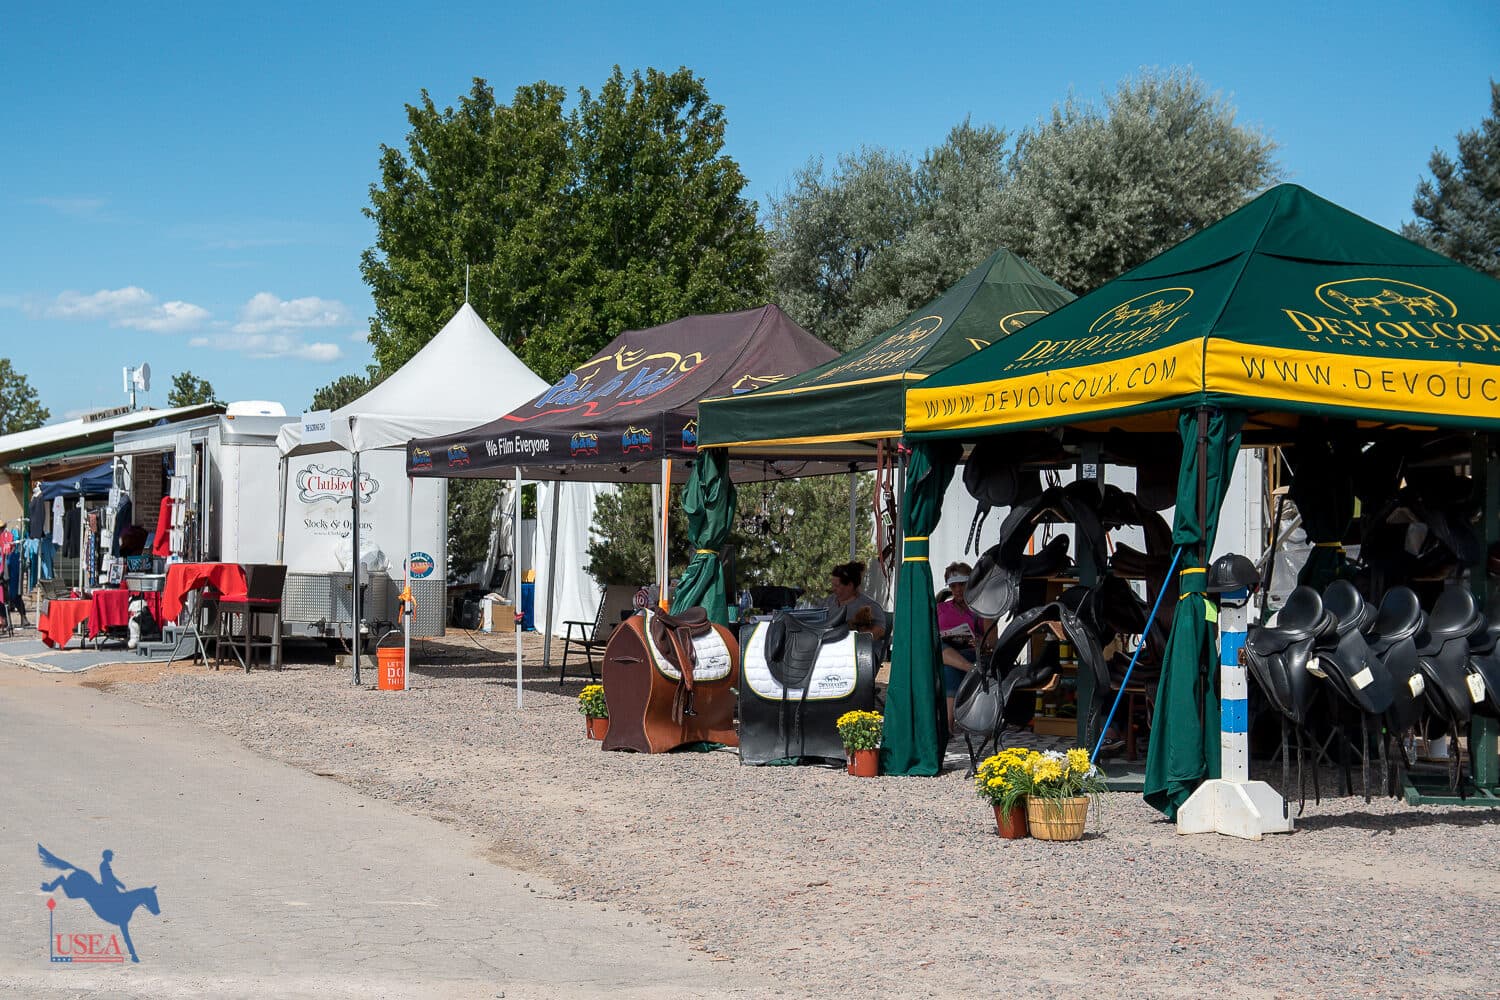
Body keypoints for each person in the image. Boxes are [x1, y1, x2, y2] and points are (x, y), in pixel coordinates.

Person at [937, 562, 986, 728]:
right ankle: (972, 670)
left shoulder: (980, 608)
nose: (958, 589)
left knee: (947, 668)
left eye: (962, 584)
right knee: (938, 648)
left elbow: (991, 640)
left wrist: (979, 641)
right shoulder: (940, 608)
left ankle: (948, 724)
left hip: (970, 652)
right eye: (953, 586)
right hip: (946, 652)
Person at [825, 560, 886, 642]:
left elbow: (879, 632)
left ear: (850, 585)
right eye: (832, 585)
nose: (833, 589)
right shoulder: (829, 601)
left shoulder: (870, 606)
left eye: (836, 586)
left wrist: (854, 637)